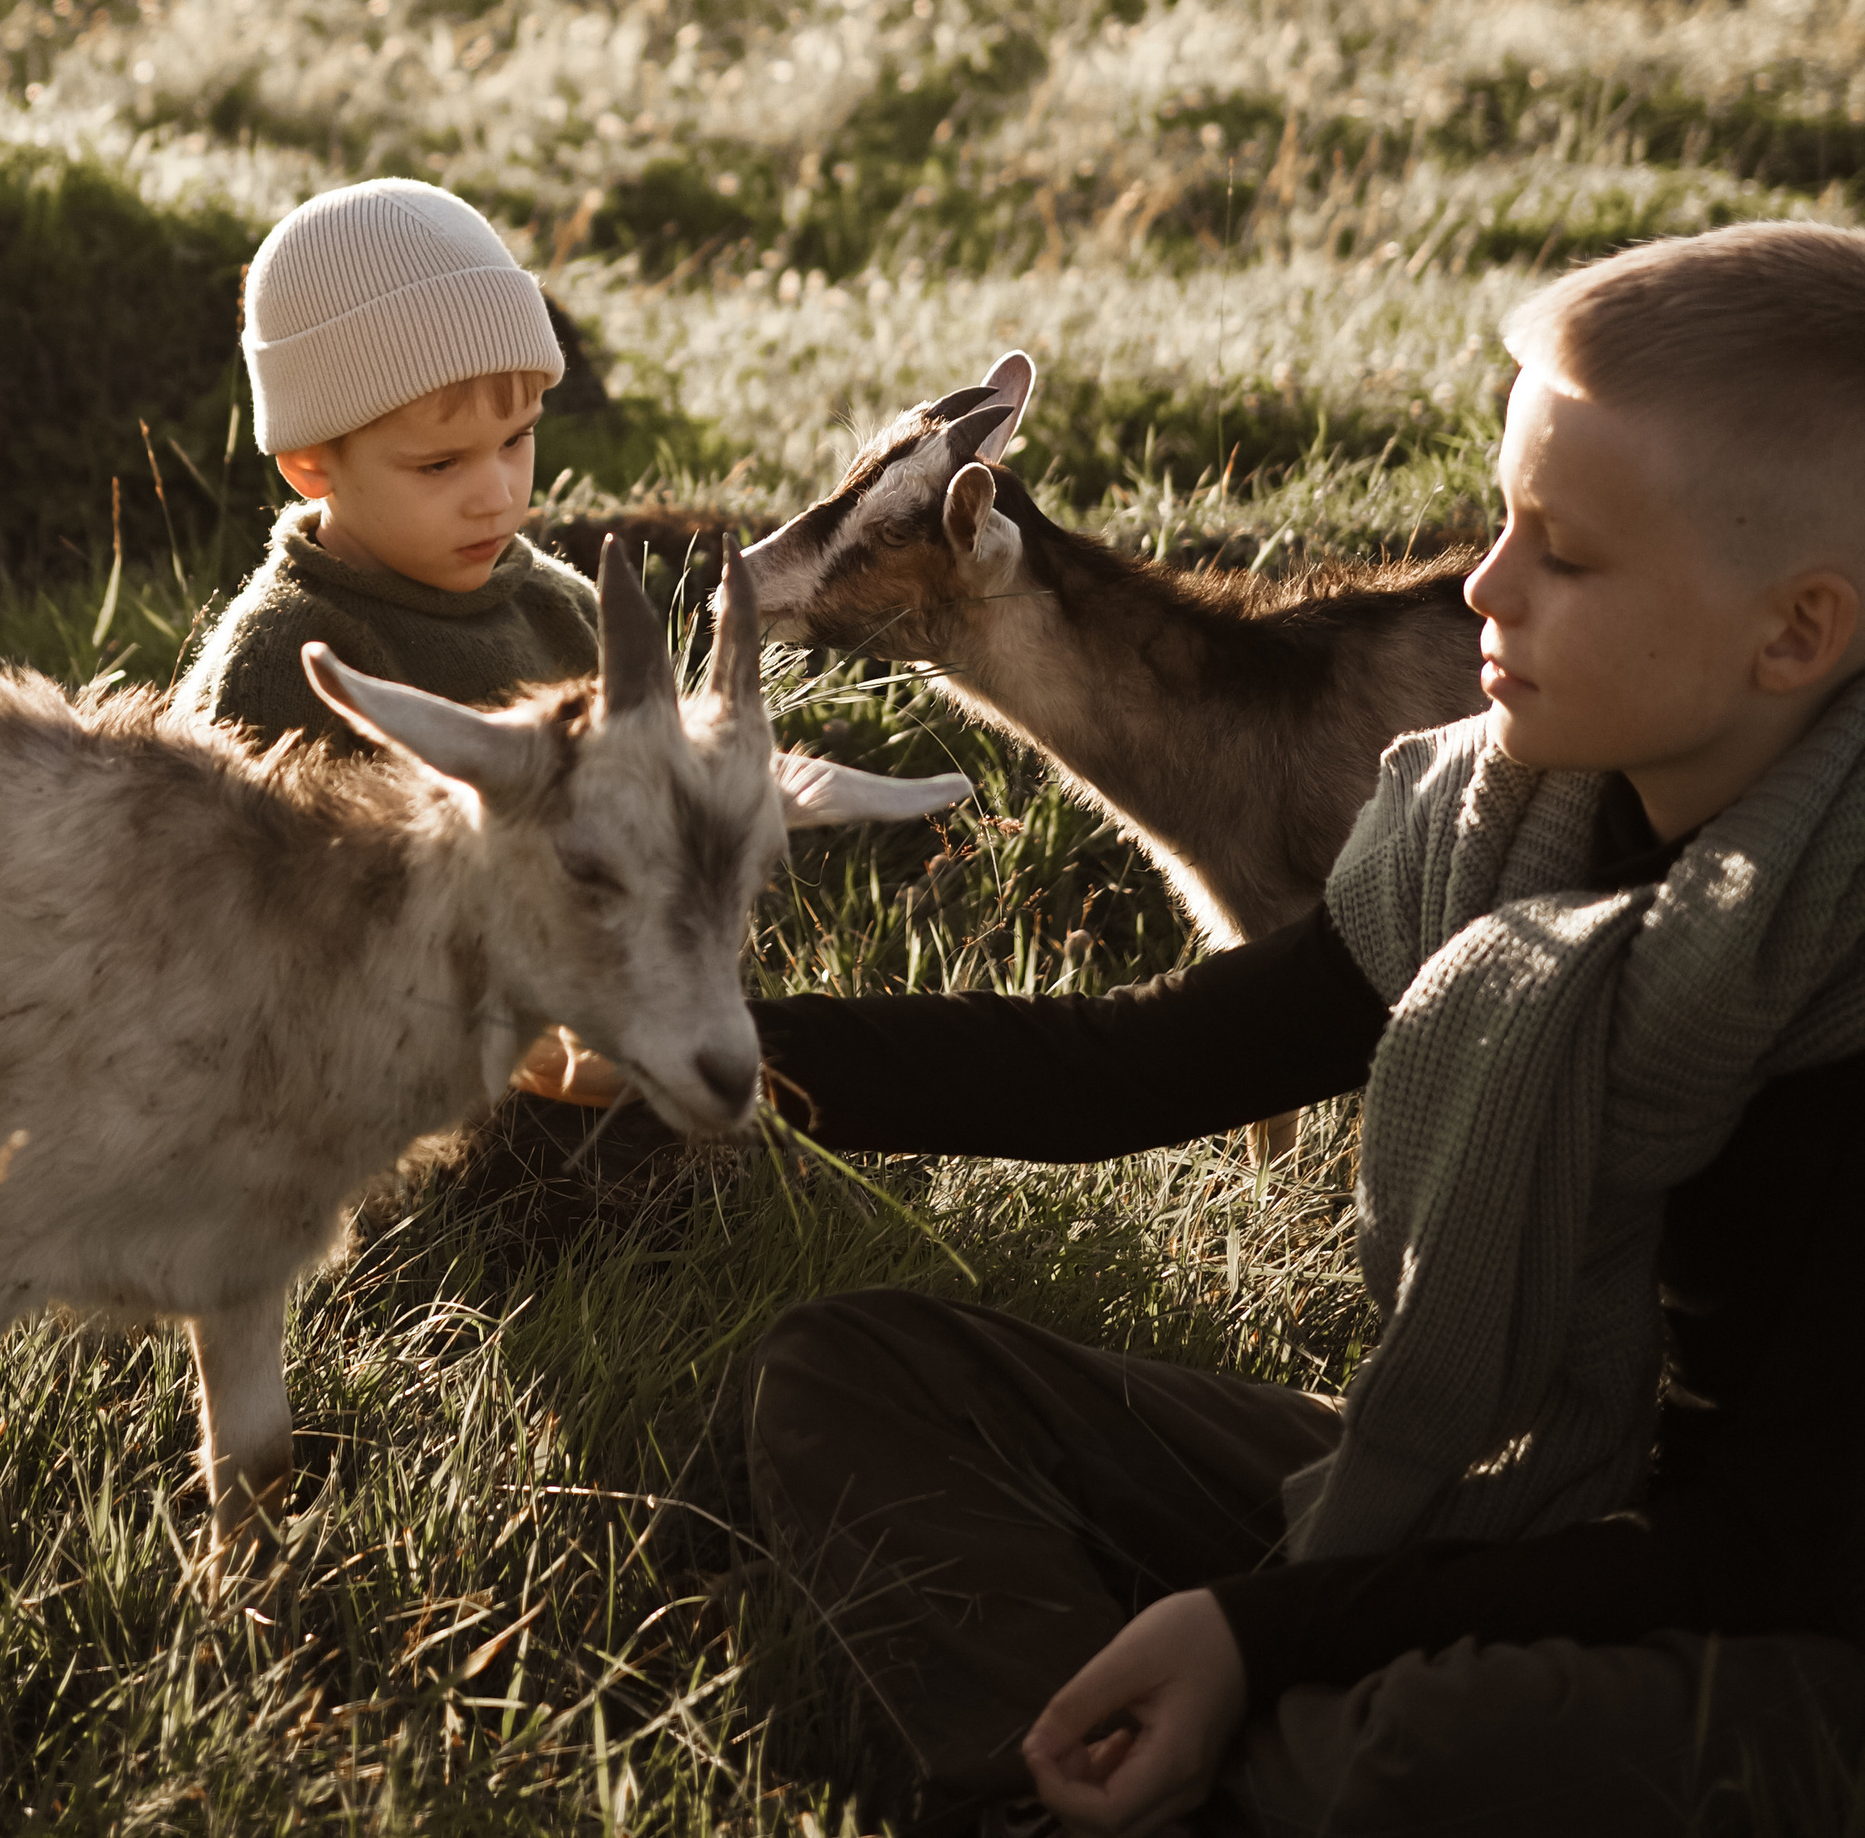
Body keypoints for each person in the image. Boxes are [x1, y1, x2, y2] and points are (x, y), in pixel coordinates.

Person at [525, 221, 1865, 1833]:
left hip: (1786, 1611)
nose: (1483, 586)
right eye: (1500, 520)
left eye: (1562, 555)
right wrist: (697, 1037)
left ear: (1798, 631)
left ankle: (1118, 1769)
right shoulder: (1517, 825)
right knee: (857, 1370)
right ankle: (1095, 1787)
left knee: (1416, 1746)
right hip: (1520, 1488)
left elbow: (1765, 1546)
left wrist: (1253, 1629)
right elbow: (1144, 1066)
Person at [177, 176, 599, 749]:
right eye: (440, 465)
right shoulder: (284, 659)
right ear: (310, 464)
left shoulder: (568, 611)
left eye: (515, 439)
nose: (498, 497)